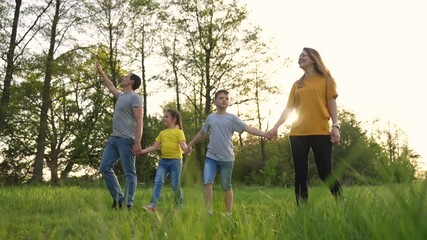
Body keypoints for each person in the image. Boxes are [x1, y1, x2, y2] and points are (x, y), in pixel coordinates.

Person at [267, 47, 342, 205]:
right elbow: (289, 109)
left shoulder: (326, 80)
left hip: (321, 132)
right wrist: (275, 127)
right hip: (298, 134)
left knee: (325, 172)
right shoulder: (297, 84)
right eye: (299, 56)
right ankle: (303, 211)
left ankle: (341, 202)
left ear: (314, 59)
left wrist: (335, 126)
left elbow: (331, 102)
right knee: (300, 174)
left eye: (304, 56)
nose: (300, 58)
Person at [187, 89, 269, 216]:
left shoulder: (232, 118)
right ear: (214, 102)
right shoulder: (211, 118)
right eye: (221, 98)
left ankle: (228, 213)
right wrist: (189, 145)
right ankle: (208, 211)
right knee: (207, 181)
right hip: (211, 157)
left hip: (227, 158)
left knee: (226, 186)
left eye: (226, 98)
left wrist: (265, 134)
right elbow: (201, 133)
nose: (224, 100)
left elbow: (248, 128)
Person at [96, 62, 143, 209]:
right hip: (114, 138)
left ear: (131, 81)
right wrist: (102, 73)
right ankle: (119, 199)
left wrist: (137, 142)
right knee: (104, 167)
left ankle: (128, 203)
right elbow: (111, 87)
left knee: (129, 172)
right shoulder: (122, 95)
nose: (122, 77)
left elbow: (139, 119)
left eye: (126, 76)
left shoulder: (135, 98)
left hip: (127, 140)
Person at [141, 109, 189, 212]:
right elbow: (154, 147)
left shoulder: (179, 132)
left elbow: (183, 146)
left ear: (174, 119)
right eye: (164, 116)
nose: (164, 118)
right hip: (163, 162)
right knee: (158, 182)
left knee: (175, 184)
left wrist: (187, 149)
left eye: (166, 116)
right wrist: (141, 151)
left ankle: (178, 206)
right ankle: (153, 206)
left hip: (175, 162)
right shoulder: (162, 133)